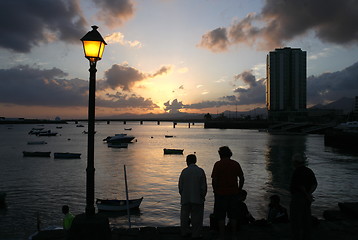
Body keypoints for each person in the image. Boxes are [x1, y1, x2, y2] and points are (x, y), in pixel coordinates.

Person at [211, 146, 245, 240]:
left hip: (220, 193)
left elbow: (214, 180)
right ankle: (234, 235)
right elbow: (241, 178)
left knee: (221, 216)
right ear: (230, 154)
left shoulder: (218, 164)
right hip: (233, 193)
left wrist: (215, 190)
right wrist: (239, 189)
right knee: (233, 215)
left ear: (220, 154)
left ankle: (222, 235)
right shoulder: (235, 164)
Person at [178, 154, 207, 239]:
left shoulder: (184, 171)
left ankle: (184, 232)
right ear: (195, 161)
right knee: (197, 219)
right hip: (197, 199)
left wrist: (183, 194)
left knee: (184, 217)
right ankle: (196, 234)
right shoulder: (200, 171)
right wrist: (202, 196)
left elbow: (180, 186)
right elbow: (203, 187)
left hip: (186, 198)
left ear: (187, 161)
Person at [290, 153, 317, 240]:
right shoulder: (309, 171)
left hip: (298, 197)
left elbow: (300, 185)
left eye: (293, 162)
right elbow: (314, 184)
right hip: (307, 198)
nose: (293, 163)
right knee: (306, 218)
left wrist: (306, 194)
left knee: (296, 219)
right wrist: (309, 194)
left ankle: (297, 237)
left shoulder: (297, 172)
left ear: (296, 162)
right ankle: (307, 236)